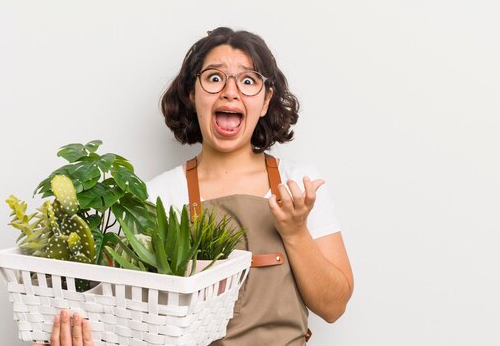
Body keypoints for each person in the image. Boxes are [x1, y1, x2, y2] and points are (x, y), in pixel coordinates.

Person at [38, 27, 353, 346]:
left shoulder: (299, 186)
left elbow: (334, 307)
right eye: (215, 78)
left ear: (266, 99)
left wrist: (295, 231)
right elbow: (135, 324)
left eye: (248, 81)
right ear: (192, 93)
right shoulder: (158, 197)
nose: (231, 92)